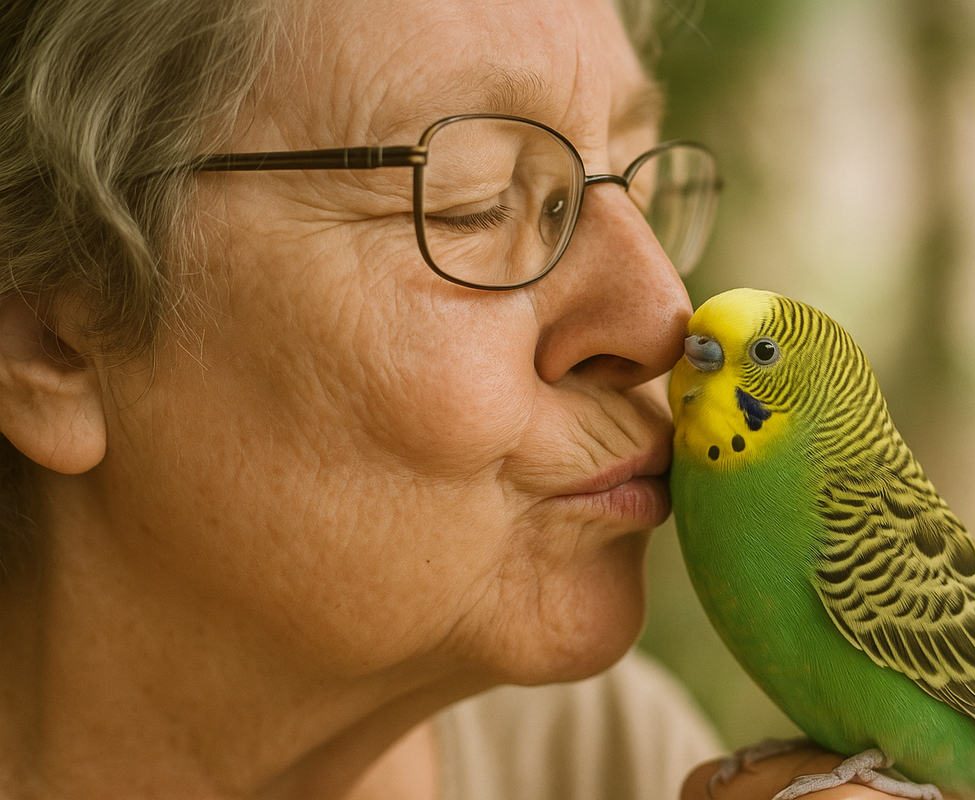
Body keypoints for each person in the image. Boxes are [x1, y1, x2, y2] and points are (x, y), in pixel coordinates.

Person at [0, 0, 927, 797]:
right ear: (52, 340)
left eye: (640, 181)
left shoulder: (615, 761)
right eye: (475, 202)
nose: (664, 318)